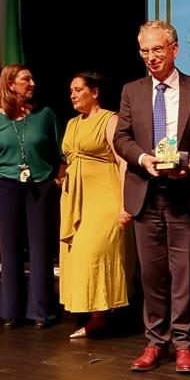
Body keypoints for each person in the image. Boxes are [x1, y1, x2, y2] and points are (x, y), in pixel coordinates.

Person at [114, 20, 190, 374]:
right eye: (144, 51)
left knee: (184, 275)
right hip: (146, 193)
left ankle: (185, 344)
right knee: (152, 275)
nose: (151, 57)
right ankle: (156, 341)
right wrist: (143, 158)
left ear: (174, 49)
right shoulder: (132, 90)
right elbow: (122, 138)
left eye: (157, 49)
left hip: (185, 194)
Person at [0, 63, 63, 330]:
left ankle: (41, 311)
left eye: (32, 79)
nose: (32, 83)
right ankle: (11, 310)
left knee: (40, 248)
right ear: (10, 84)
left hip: (40, 186)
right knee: (9, 248)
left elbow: (61, 152)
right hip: (8, 187)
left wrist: (57, 178)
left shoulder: (44, 115)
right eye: (26, 79)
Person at [59, 72, 132, 339]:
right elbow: (68, 160)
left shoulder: (109, 120)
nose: (73, 95)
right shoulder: (71, 124)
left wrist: (125, 203)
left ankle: (105, 313)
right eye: (71, 91)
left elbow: (122, 161)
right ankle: (96, 317)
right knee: (76, 255)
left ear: (95, 92)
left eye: (79, 89)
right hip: (76, 200)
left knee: (94, 252)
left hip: (104, 198)